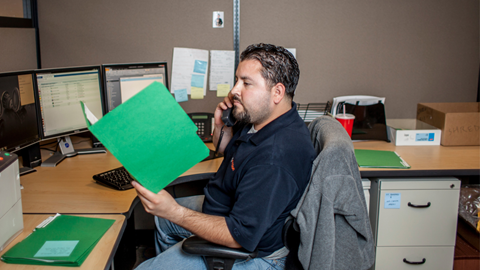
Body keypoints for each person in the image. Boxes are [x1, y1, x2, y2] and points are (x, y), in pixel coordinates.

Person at [133, 43, 316, 269]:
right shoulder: (263, 121)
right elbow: (231, 153)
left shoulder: (275, 157)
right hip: (227, 208)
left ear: (277, 92)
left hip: (253, 253)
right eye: (237, 80)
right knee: (163, 221)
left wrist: (175, 212)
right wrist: (222, 125)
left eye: (246, 83)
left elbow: (238, 236)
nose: (234, 90)